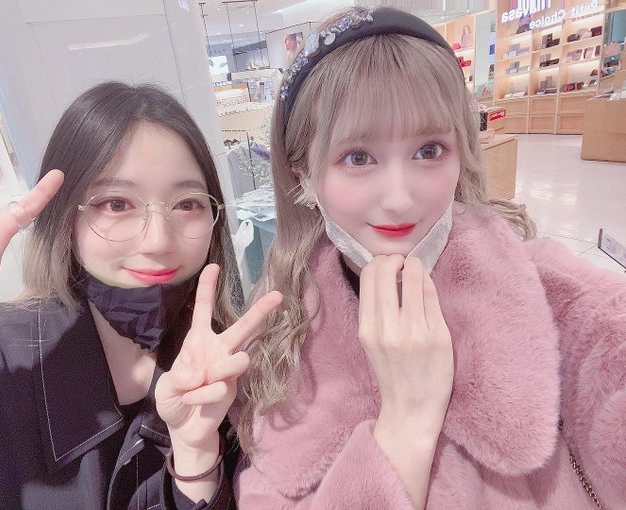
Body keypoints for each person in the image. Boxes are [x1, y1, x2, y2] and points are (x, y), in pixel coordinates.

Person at [232, 7, 626, 509]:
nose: (400, 198)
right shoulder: (276, 338)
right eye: (358, 157)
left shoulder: (547, 291)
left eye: (429, 151)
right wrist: (406, 422)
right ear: (302, 174)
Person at [0, 82, 281, 510]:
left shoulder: (229, 366)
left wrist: (197, 458)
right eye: (117, 204)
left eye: (186, 204)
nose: (159, 240)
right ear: (65, 217)